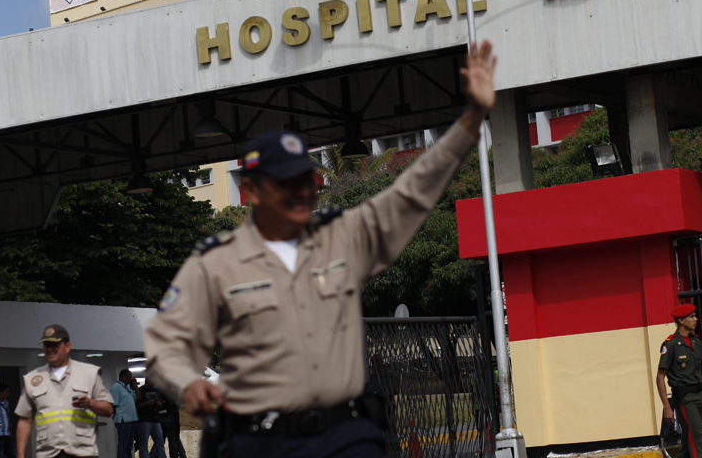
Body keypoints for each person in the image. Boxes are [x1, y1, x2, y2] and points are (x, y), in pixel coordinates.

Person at [144, 41, 498, 457]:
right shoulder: (215, 263)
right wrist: (188, 382)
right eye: (286, 183)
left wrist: (471, 119)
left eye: (305, 181)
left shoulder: (342, 236)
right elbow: (165, 344)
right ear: (253, 191)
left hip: (344, 437)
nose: (301, 192)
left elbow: (410, 194)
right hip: (260, 442)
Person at [15, 325, 114, 458]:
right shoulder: (32, 379)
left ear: (67, 346)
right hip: (48, 453)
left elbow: (108, 410)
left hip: (82, 453)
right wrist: (20, 455)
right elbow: (25, 419)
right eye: (46, 345)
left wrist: (90, 403)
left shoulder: (89, 373)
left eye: (54, 345)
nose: (50, 349)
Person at [656, 305, 702, 458]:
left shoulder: (696, 342)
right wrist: (666, 406)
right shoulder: (670, 344)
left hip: (700, 395)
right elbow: (660, 377)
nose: (696, 320)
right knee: (698, 436)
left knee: (690, 436)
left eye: (695, 316)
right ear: (681, 320)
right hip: (685, 398)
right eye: (692, 317)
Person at [110, 370, 147, 458]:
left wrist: (135, 385)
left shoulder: (127, 388)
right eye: (129, 377)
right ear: (123, 377)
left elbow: (138, 398)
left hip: (132, 419)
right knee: (123, 445)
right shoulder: (116, 387)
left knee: (129, 446)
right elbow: (113, 404)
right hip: (123, 420)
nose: (130, 379)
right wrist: (116, 417)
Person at [136, 378, 167, 458]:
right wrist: (147, 404)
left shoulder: (156, 390)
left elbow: (161, 405)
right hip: (144, 420)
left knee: (160, 443)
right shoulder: (140, 391)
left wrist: (157, 403)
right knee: (143, 444)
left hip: (156, 420)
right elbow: (137, 406)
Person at [155, 386, 188, 458]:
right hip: (171, 418)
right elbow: (177, 405)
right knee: (173, 440)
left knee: (160, 441)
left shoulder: (156, 390)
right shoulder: (171, 391)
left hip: (159, 418)